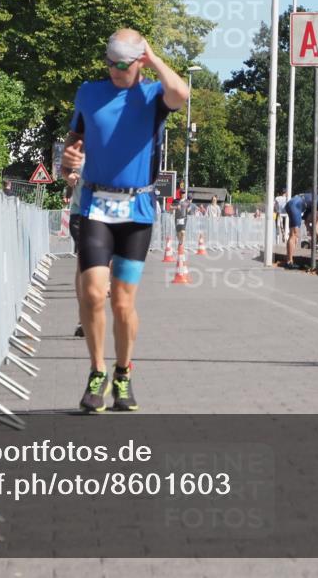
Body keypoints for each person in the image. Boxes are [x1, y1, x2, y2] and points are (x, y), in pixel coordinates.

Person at [61, 28, 189, 413]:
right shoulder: (89, 92)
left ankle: (123, 371)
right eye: (110, 62)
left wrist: (154, 59)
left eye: (124, 63)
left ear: (139, 61)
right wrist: (68, 164)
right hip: (95, 206)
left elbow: (182, 95)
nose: (116, 70)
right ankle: (97, 372)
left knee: (122, 302)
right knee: (92, 291)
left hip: (136, 211)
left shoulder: (152, 96)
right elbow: (74, 140)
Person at [284, 191, 318, 267]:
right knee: (294, 235)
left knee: (294, 235)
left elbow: (307, 222)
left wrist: (314, 236)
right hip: (296, 205)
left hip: (292, 203)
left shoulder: (315, 201)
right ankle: (289, 262)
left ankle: (289, 260)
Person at [67, 159, 86, 338]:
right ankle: (83, 318)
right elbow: (66, 172)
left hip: (105, 214)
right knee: (83, 261)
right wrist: (69, 178)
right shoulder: (79, 152)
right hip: (79, 214)